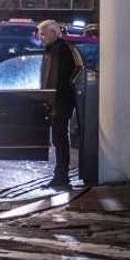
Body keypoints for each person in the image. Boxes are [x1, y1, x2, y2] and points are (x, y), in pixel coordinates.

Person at [39, 19, 84, 190]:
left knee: (59, 138)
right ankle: (60, 174)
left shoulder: (59, 51)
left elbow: (55, 80)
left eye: (43, 33)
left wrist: (50, 99)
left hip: (60, 101)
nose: (40, 37)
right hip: (59, 100)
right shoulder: (58, 49)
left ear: (53, 32)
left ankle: (61, 175)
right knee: (58, 138)